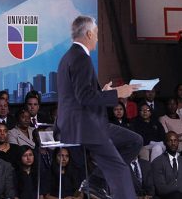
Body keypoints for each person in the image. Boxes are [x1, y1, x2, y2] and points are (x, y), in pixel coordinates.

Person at [57, 15, 143, 199]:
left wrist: (102, 91)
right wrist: (118, 93)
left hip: (84, 122)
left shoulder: (68, 56)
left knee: (134, 141)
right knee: (119, 169)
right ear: (88, 34)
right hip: (84, 126)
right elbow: (85, 97)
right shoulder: (81, 58)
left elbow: (79, 94)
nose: (97, 38)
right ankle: (99, 185)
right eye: (96, 33)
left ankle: (94, 182)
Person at [151, 132, 182, 199]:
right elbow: (161, 189)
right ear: (165, 143)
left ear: (178, 143)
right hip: (169, 196)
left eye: (175, 140)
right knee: (177, 196)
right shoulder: (157, 162)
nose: (173, 143)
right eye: (170, 141)